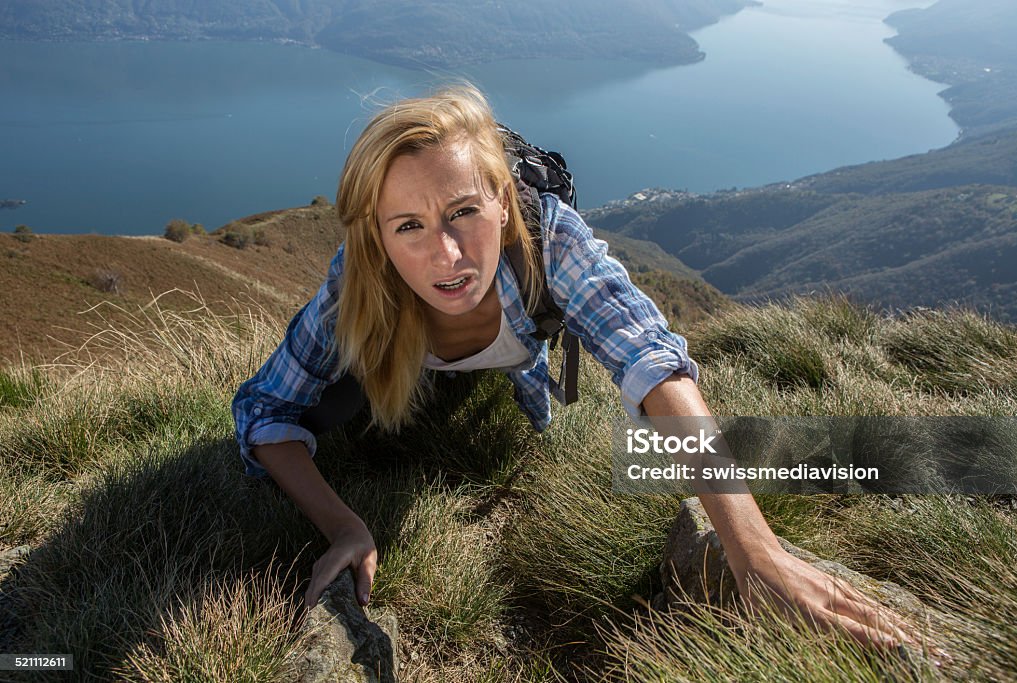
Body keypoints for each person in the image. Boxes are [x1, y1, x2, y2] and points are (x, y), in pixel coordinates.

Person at [231, 84, 918, 651]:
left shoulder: (551, 235)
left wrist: (754, 551)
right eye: (406, 224)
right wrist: (345, 525)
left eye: (463, 211)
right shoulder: (359, 279)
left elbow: (650, 359)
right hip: (398, 368)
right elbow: (265, 410)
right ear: (377, 234)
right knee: (336, 405)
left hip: (515, 364)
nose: (444, 254)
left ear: (503, 202)